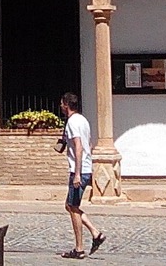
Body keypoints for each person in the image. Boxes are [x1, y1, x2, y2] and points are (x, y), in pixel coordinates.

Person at [59, 93, 106, 260]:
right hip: (86, 167)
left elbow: (79, 146)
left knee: (73, 208)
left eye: (62, 103)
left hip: (78, 170)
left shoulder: (72, 122)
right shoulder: (83, 120)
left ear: (66, 104)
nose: (60, 106)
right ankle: (95, 233)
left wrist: (77, 173)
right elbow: (89, 143)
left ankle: (79, 248)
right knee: (70, 205)